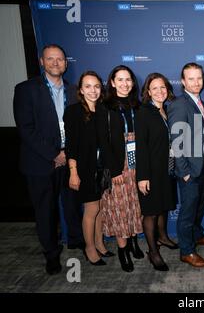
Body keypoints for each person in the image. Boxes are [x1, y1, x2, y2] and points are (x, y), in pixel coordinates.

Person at [13, 44, 84, 275]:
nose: (55, 63)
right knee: (46, 211)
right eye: (50, 59)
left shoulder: (74, 91)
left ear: (66, 63)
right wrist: (55, 154)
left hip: (70, 159)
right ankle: (51, 255)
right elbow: (26, 129)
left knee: (72, 205)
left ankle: (76, 241)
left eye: (60, 59)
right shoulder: (25, 89)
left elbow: (79, 126)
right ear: (42, 62)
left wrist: (68, 154)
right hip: (41, 163)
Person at [167, 63, 204, 268]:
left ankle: (196, 236)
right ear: (183, 81)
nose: (196, 82)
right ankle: (186, 251)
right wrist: (184, 172)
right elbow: (176, 141)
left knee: (199, 207)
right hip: (190, 170)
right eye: (191, 78)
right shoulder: (179, 104)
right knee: (188, 212)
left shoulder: (199, 102)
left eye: (199, 78)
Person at [64, 71, 114, 266]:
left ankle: (100, 243)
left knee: (101, 208)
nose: (93, 90)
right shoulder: (73, 112)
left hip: (103, 168)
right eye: (88, 86)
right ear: (81, 90)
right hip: (84, 169)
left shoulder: (103, 110)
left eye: (96, 86)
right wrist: (73, 172)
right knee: (91, 209)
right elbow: (71, 146)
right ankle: (90, 248)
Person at [97, 65, 144, 272]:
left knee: (136, 204)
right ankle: (123, 250)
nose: (125, 84)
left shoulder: (138, 106)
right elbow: (103, 143)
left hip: (138, 162)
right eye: (120, 80)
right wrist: (114, 170)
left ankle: (134, 240)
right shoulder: (105, 107)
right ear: (113, 82)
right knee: (120, 209)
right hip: (118, 164)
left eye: (128, 80)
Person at [136, 73, 178, 271]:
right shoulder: (144, 112)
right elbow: (141, 147)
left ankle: (163, 237)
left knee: (163, 206)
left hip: (167, 168)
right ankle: (153, 252)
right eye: (154, 88)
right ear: (148, 92)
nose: (159, 91)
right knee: (151, 212)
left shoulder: (167, 110)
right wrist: (142, 176)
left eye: (162, 87)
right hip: (150, 171)